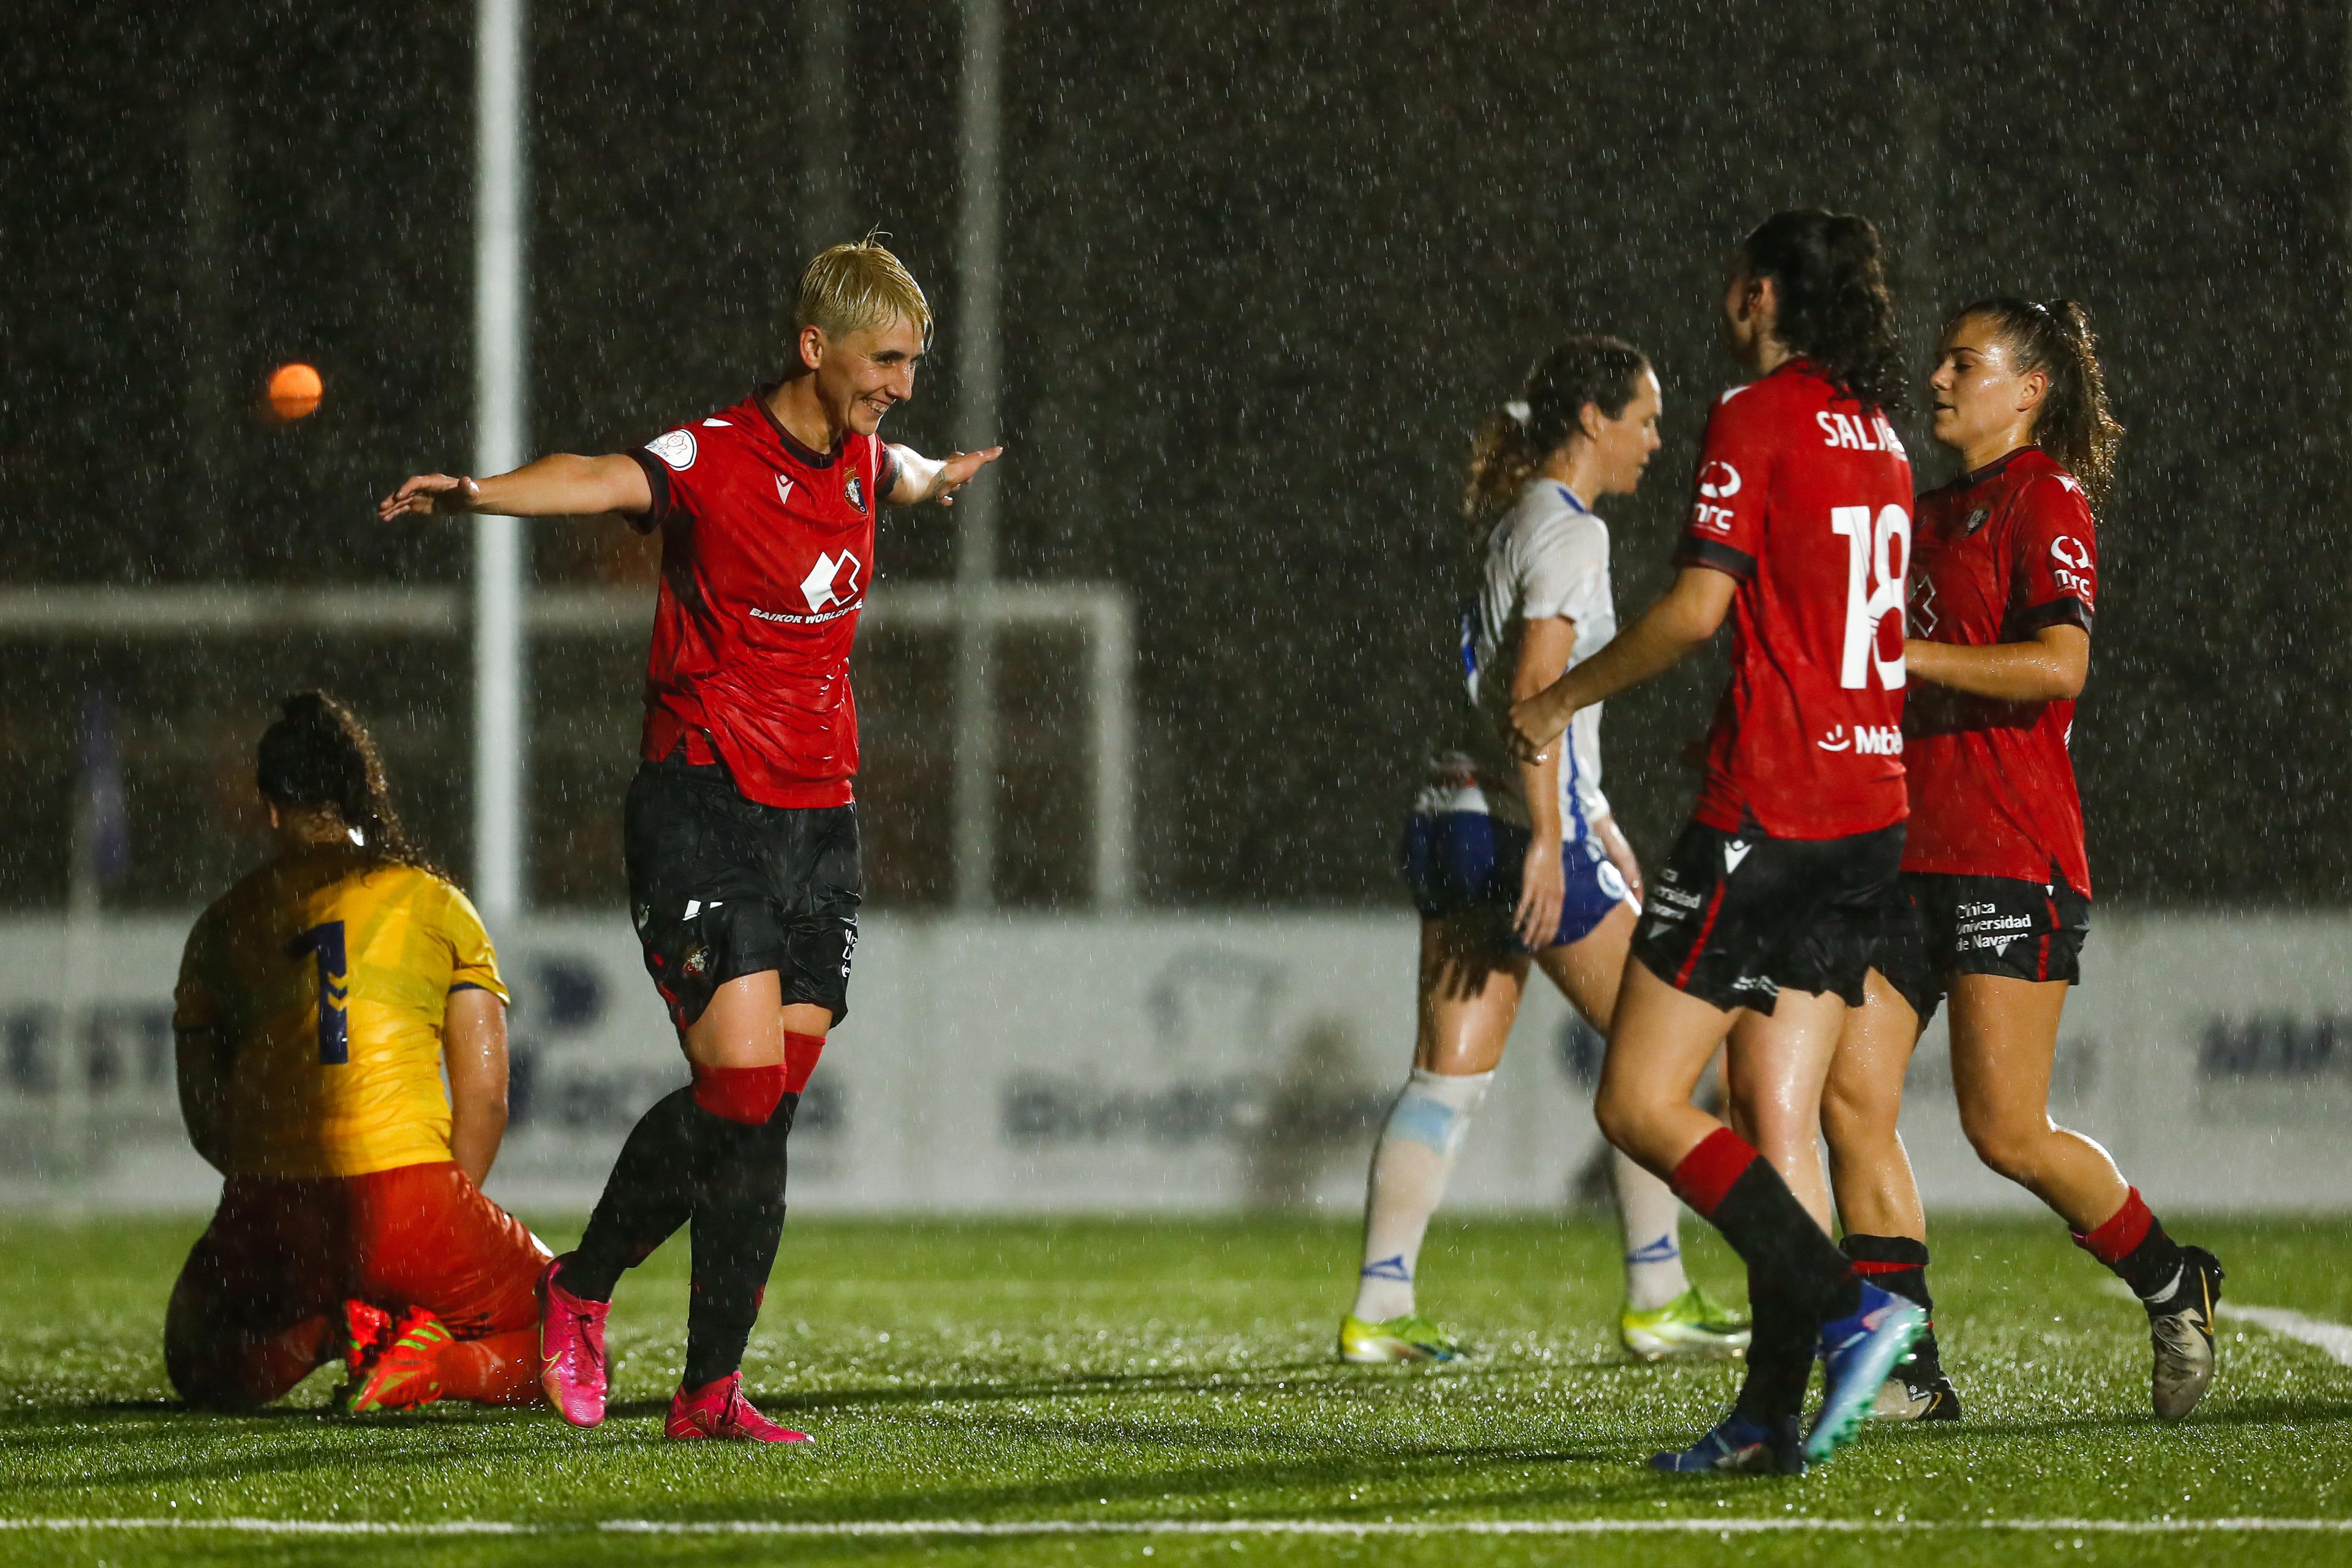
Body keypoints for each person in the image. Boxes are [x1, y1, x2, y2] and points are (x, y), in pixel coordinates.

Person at [379, 235, 1000, 1444]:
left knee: (764, 1109)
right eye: (886, 360)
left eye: (916, 363)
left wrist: (935, 475)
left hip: (823, 819)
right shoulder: (716, 457)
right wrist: (481, 492)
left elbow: (904, 468)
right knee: (742, 1085)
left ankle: (708, 1389)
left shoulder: (869, 457)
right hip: (702, 800)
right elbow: (599, 477)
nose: (902, 384)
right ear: (813, 347)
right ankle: (580, 1287)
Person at [1510, 210, 1926, 1475]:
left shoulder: (1758, 413)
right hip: (1869, 817)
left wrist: (1564, 696)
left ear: (1757, 294)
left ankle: (1855, 1303)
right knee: (1768, 1108)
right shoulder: (1887, 436)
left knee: (1638, 1099)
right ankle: (1764, 1417)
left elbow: (1698, 610)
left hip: (1770, 810)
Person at [1819, 298, 2221, 1424]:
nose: (1940, 377)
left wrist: (1908, 654)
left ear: (2029, 387)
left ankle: (2170, 1277)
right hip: (1904, 855)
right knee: (1851, 1095)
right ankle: (1909, 1366)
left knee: (2006, 1132)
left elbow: (2060, 665)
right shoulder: (1923, 505)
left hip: (2010, 855)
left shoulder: (2046, 497)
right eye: (1940, 359)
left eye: (1966, 361)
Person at [1341, 336, 1749, 1367]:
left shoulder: (1509, 520)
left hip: (1452, 812)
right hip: (1519, 825)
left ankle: (1379, 1310)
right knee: (1664, 1053)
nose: (1658, 441)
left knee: (1447, 1078)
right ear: (1592, 424)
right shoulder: (1571, 535)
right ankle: (1659, 1292)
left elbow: (1507, 707)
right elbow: (1535, 703)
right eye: (1646, 419)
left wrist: (1593, 822)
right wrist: (1557, 842)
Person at [167, 693, 547, 1415]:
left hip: (274, 1201)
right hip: (408, 1196)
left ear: (271, 807)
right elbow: (488, 1099)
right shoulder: (436, 904)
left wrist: (281, 1184)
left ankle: (331, 1330)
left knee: (199, 1357)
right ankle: (437, 1367)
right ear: (359, 793)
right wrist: (423, 1234)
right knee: (573, 1339)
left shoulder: (220, 924)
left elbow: (207, 1119)